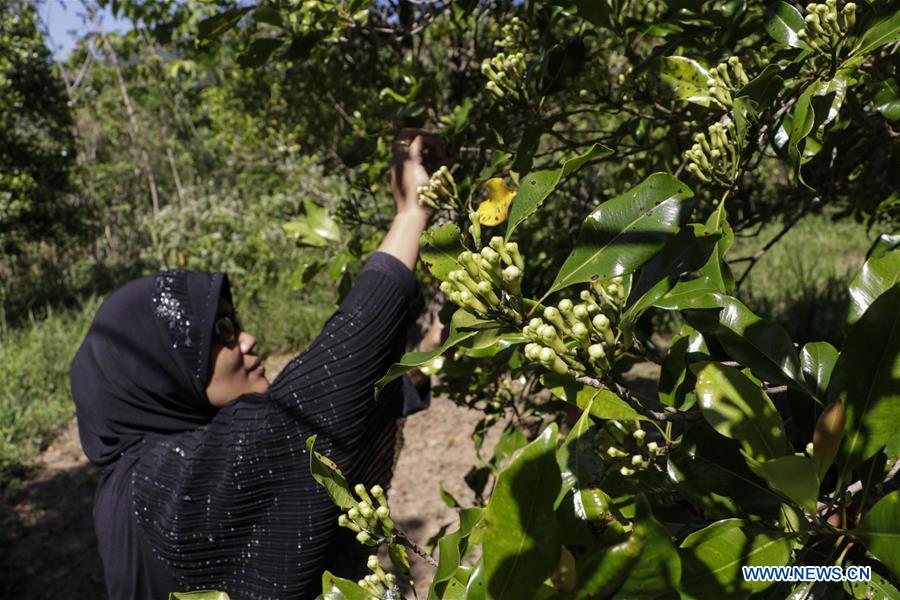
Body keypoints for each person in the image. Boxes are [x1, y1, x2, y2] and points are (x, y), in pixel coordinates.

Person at [69, 129, 451, 599]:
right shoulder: (158, 488)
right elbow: (316, 402)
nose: (246, 339)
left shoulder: (142, 476)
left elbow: (340, 414)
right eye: (222, 331)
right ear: (156, 372)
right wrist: (412, 213)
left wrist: (426, 356)